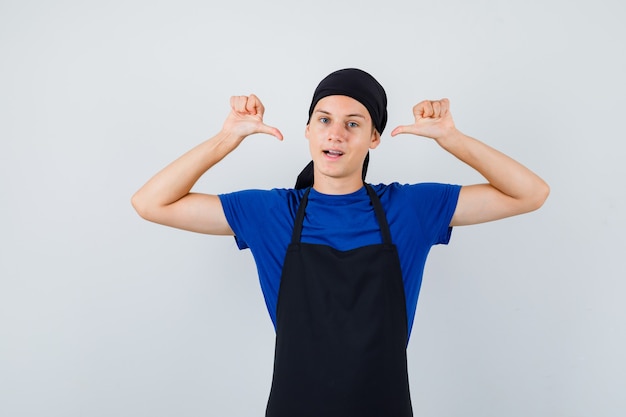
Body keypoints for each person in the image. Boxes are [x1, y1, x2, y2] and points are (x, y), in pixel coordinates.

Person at [131, 68, 549, 416]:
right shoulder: (271, 213)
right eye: (324, 119)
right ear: (308, 131)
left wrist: (450, 138)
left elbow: (530, 193)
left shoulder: (410, 209)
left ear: (373, 139)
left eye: (354, 123)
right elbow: (150, 203)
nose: (336, 134)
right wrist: (228, 137)